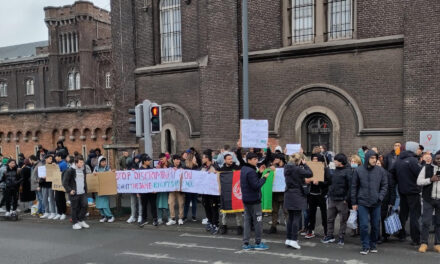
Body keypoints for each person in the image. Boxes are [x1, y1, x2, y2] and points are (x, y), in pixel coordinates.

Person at [351, 150, 388, 255]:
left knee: (376, 225)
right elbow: (354, 187)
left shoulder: (381, 171)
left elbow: (385, 185)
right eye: (372, 158)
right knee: (363, 225)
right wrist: (354, 202)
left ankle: (373, 245)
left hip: (376, 202)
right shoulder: (358, 170)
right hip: (362, 202)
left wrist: (380, 197)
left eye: (375, 158)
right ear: (367, 158)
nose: (374, 160)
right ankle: (365, 246)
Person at [390, 141, 422, 245]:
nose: (418, 150)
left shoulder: (398, 160)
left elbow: (392, 173)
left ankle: (401, 234)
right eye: (417, 148)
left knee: (403, 214)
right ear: (412, 149)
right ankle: (416, 239)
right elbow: (420, 174)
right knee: (414, 215)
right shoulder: (413, 160)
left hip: (402, 191)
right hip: (413, 191)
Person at [240, 152, 270, 250]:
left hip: (246, 199)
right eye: (254, 159)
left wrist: (260, 173)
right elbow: (256, 185)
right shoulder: (250, 171)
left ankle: (246, 243)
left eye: (257, 159)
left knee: (247, 221)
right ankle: (258, 242)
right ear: (249, 160)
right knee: (258, 221)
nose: (256, 161)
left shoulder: (244, 169)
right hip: (254, 200)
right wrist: (264, 177)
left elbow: (252, 181)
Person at [321, 153, 352, 245]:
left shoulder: (348, 171)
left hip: (342, 200)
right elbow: (330, 182)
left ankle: (341, 236)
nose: (334, 162)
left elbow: (351, 187)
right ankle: (330, 235)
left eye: (336, 160)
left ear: (341, 162)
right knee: (330, 218)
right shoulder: (333, 170)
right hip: (332, 198)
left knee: (343, 220)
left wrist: (347, 199)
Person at [284, 153, 313, 249]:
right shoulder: (297, 169)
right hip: (297, 194)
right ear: (299, 160)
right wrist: (304, 164)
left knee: (290, 218)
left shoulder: (287, 168)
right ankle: (294, 240)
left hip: (288, 193)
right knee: (296, 217)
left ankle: (288, 239)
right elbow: (310, 173)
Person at [416, 151, 440, 253]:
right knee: (425, 222)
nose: (439, 161)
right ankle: (424, 243)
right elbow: (418, 181)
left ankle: (438, 244)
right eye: (438, 159)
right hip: (428, 199)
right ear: (434, 158)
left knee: (439, 223)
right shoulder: (426, 168)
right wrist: (430, 179)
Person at [305, 154, 330, 239]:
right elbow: (305, 179)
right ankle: (310, 230)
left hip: (321, 194)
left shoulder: (325, 169)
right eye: (313, 159)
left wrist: (319, 182)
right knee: (311, 213)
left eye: (316, 159)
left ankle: (326, 231)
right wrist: (307, 181)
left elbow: (328, 182)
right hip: (311, 194)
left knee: (324, 214)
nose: (315, 161)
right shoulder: (309, 169)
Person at [218, 153, 243, 235]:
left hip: (235, 192)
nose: (231, 160)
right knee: (224, 210)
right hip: (225, 192)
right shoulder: (222, 169)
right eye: (229, 159)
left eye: (231, 158)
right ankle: (224, 225)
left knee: (238, 210)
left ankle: (239, 226)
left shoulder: (236, 167)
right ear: (225, 160)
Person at [62, 155, 90, 230]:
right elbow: (64, 182)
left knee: (85, 205)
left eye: (83, 162)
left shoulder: (83, 169)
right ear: (76, 163)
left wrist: (85, 189)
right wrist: (69, 190)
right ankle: (75, 223)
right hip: (74, 192)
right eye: (80, 162)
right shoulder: (70, 170)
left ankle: (80, 220)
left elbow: (84, 180)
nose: (82, 164)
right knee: (74, 208)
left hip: (82, 192)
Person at [375, 159, 396, 244]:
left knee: (384, 218)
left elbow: (392, 188)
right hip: (375, 199)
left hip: (385, 199)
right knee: (376, 218)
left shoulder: (387, 174)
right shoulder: (371, 173)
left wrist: (391, 202)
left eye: (379, 163)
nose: (377, 164)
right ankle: (377, 235)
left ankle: (384, 235)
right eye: (376, 163)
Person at [201, 151, 220, 234]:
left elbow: (219, 176)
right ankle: (210, 221)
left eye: (203, 157)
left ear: (207, 159)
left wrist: (215, 172)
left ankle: (215, 224)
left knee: (214, 208)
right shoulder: (203, 167)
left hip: (213, 192)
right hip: (205, 192)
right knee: (207, 207)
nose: (202, 159)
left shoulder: (215, 166)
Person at [268, 153, 288, 234]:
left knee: (286, 211)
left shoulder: (286, 167)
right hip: (275, 192)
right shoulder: (273, 167)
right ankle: (273, 226)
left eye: (276, 159)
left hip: (284, 193)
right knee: (274, 211)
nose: (275, 160)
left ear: (281, 159)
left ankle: (289, 227)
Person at [138, 155, 158, 227]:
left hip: (152, 191)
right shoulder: (139, 171)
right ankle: (144, 219)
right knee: (144, 206)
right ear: (144, 161)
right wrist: (138, 192)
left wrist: (155, 189)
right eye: (148, 160)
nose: (149, 161)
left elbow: (155, 180)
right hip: (143, 191)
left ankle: (155, 219)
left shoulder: (152, 170)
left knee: (153, 205)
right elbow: (137, 181)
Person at [94, 156, 115, 223]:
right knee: (99, 204)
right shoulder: (96, 168)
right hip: (98, 188)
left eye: (105, 161)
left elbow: (110, 175)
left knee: (105, 204)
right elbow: (93, 175)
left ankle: (110, 216)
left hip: (105, 189)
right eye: (102, 162)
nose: (104, 163)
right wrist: (94, 174)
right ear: (99, 162)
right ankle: (103, 216)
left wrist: (112, 172)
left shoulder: (107, 168)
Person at [167, 154, 185, 226]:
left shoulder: (183, 167)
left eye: (179, 159)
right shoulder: (170, 167)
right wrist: (171, 170)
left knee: (181, 204)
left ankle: (180, 218)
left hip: (180, 189)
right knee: (171, 203)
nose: (178, 161)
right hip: (172, 189)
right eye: (177, 159)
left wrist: (182, 171)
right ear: (173, 160)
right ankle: (173, 218)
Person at [38, 154, 56, 219]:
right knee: (44, 199)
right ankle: (46, 212)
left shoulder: (53, 165)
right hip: (44, 184)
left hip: (51, 184)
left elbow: (56, 174)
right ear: (46, 159)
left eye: (51, 159)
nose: (51, 160)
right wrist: (41, 180)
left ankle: (53, 212)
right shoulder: (42, 166)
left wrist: (55, 166)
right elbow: (39, 176)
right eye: (49, 158)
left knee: (51, 199)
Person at [183, 153, 199, 222]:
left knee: (194, 202)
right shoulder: (185, 168)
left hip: (195, 188)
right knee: (187, 202)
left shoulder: (197, 167)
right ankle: (185, 216)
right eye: (194, 158)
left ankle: (194, 216)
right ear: (191, 159)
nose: (195, 159)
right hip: (188, 188)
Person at [156, 153, 170, 225]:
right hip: (160, 188)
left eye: (162, 159)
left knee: (168, 203)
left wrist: (168, 170)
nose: (161, 160)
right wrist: (157, 169)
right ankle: (159, 217)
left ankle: (169, 217)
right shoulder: (159, 166)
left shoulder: (170, 165)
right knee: (159, 203)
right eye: (160, 159)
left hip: (167, 188)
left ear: (166, 158)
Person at [54, 152, 68, 220]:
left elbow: (64, 173)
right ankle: (59, 213)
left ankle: (63, 213)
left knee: (61, 198)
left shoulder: (63, 164)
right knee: (57, 199)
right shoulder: (57, 164)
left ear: (60, 157)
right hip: (56, 183)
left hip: (61, 183)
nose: (55, 158)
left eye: (56, 156)